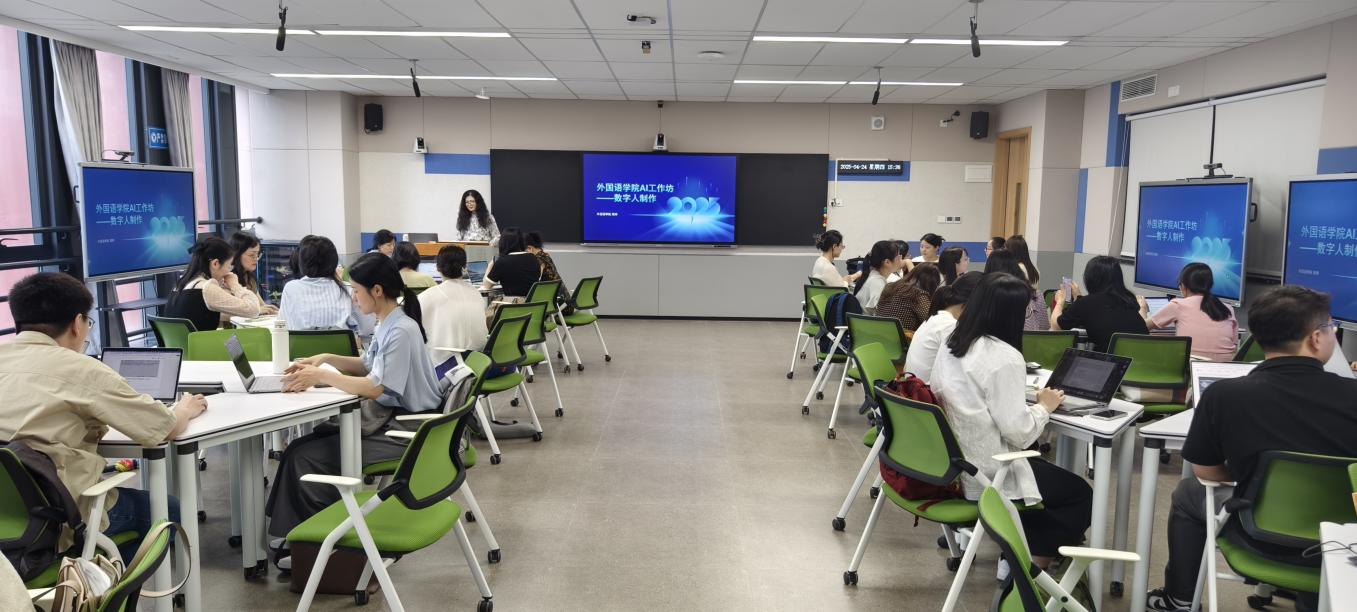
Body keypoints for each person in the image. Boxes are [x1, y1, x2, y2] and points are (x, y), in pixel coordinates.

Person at [1145, 285, 1357, 612]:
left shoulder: (1224, 396)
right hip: (1342, 543)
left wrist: (1253, 475)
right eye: (1330, 328)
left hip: (1257, 535)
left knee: (1188, 493)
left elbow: (1205, 471)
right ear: (1316, 338)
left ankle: (1180, 600)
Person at [0, 272, 207, 561]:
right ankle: (97, 581)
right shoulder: (82, 369)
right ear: (77, 323)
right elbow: (164, 428)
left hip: (7, 520)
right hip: (58, 518)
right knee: (170, 511)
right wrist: (184, 408)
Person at [267, 253, 443, 569]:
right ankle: (302, 538)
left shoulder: (400, 330)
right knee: (298, 449)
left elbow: (376, 387)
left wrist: (322, 376)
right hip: (394, 420)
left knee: (305, 456)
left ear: (377, 290)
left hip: (407, 431)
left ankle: (327, 548)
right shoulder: (390, 322)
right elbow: (367, 365)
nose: (353, 297)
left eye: (356, 290)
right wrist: (325, 359)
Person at [930, 273, 1091, 569]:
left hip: (953, 464)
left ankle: (1018, 555)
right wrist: (1044, 407)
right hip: (990, 472)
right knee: (1078, 493)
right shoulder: (1004, 357)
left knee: (1048, 480)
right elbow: (1019, 433)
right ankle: (1031, 570)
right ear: (1011, 314)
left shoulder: (953, 341)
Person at [1137, 263, 1238, 361]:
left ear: (1183, 286)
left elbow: (1142, 327)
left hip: (1191, 366)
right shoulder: (1228, 308)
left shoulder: (1178, 305)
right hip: (1226, 367)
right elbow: (1234, 345)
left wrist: (1142, 307)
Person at [164, 236, 263, 332]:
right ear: (215, 264)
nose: (229, 271)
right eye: (229, 266)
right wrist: (235, 285)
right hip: (204, 342)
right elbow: (253, 310)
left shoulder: (180, 285)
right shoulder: (207, 287)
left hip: (183, 343)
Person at [419, 244, 490, 376]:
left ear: (437, 267)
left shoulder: (427, 296)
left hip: (450, 368)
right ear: (464, 266)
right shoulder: (476, 293)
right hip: (480, 363)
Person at [1051, 255, 1148, 352]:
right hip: (1142, 357)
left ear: (1090, 279)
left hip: (1110, 360)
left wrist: (1060, 301)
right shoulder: (1129, 300)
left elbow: (1056, 327)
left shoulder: (1087, 303)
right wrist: (1079, 297)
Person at [278, 235, 369, 335]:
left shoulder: (291, 288)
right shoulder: (348, 289)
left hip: (299, 345)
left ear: (302, 263)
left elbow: (281, 328)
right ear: (334, 261)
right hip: (340, 345)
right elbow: (366, 329)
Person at [903, 272, 981, 383]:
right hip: (925, 391)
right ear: (974, 302)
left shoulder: (936, 318)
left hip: (912, 387)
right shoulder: (950, 326)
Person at [984, 249, 1048, 331]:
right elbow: (1044, 329)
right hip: (1032, 338)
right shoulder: (1037, 294)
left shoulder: (988, 295)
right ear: (1016, 266)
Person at [876, 263, 941, 332]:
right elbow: (931, 322)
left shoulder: (890, 287)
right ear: (932, 284)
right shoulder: (918, 294)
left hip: (879, 334)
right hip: (903, 337)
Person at [228, 231, 279, 318]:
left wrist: (270, 310)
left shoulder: (249, 278)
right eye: (252, 255)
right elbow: (229, 311)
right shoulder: (227, 279)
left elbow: (261, 305)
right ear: (236, 254)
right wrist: (258, 310)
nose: (256, 259)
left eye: (257, 254)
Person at [484, 229, 543, 299]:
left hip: (513, 303)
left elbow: (486, 286)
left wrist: (491, 263)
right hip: (533, 303)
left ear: (503, 243)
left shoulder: (502, 261)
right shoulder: (533, 258)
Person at [525, 231, 574, 314]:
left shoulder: (537, 260)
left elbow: (536, 280)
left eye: (526, 250)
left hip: (558, 307)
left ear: (530, 248)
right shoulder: (546, 255)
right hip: (566, 303)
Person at [855, 240, 899, 315]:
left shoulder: (872, 276)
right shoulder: (877, 282)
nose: (901, 260)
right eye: (898, 257)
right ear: (887, 262)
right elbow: (878, 314)